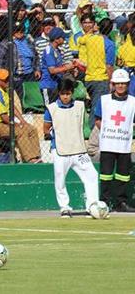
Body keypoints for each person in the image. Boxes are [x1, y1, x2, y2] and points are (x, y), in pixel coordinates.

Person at [44, 79, 100, 218]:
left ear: (72, 93)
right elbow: (45, 128)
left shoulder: (80, 106)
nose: (65, 97)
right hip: (60, 150)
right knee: (60, 179)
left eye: (68, 94)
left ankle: (92, 206)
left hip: (79, 149)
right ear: (59, 93)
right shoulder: (51, 108)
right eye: (63, 94)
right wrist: (55, 136)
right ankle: (65, 208)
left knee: (91, 175)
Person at [94, 69, 135, 212]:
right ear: (113, 84)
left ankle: (121, 203)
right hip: (108, 143)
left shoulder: (133, 102)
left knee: (123, 175)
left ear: (128, 84)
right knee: (106, 175)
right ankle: (104, 202)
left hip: (124, 144)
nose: (121, 86)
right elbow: (98, 120)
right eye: (118, 83)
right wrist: (108, 131)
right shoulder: (104, 100)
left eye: (123, 83)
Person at [0, 69, 42, 163]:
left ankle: (36, 157)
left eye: (9, 78)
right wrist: (17, 124)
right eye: (5, 80)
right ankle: (29, 159)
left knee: (31, 129)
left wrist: (22, 121)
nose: (8, 81)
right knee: (21, 131)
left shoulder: (5, 90)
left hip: (5, 123)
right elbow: (3, 116)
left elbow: (12, 106)